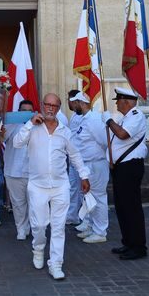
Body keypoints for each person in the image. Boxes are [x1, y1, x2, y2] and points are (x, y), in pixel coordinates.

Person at [13, 93, 91, 280]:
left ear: (58, 109)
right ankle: (38, 249)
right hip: (37, 185)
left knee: (58, 227)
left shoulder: (65, 131)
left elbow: (74, 155)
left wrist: (84, 175)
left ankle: (56, 263)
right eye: (47, 105)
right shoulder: (31, 127)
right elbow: (17, 143)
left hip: (60, 185)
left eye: (54, 106)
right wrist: (30, 123)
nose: (50, 108)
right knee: (39, 225)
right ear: (42, 105)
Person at [106, 88, 149, 260]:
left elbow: (123, 135)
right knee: (122, 206)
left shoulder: (136, 115)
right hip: (121, 167)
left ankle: (138, 247)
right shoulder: (125, 118)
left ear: (127, 102)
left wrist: (109, 121)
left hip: (130, 167)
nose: (116, 103)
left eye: (118, 100)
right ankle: (128, 242)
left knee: (131, 207)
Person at [67, 91, 110, 244]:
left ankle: (100, 231)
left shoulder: (94, 119)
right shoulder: (85, 119)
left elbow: (104, 141)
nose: (73, 105)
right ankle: (92, 227)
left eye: (75, 102)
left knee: (98, 198)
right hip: (87, 165)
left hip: (96, 164)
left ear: (81, 103)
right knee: (90, 198)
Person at [0, 99, 34, 240]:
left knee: (33, 203)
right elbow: (0, 140)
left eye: (28, 111)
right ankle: (21, 228)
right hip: (14, 170)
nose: (26, 113)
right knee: (18, 204)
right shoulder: (10, 123)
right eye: (23, 110)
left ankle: (31, 227)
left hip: (33, 172)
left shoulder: (37, 125)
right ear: (18, 111)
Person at [66, 89, 84, 226]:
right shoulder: (74, 116)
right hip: (73, 157)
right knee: (73, 188)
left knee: (83, 190)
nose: (69, 103)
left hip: (80, 158)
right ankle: (72, 215)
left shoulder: (83, 116)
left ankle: (84, 217)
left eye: (70, 100)